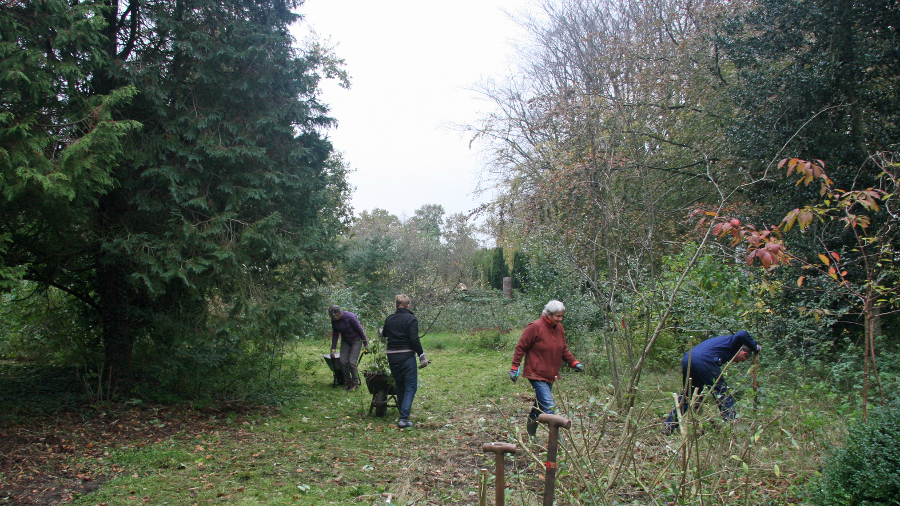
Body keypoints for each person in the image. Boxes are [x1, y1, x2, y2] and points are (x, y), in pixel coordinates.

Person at [510, 300, 584, 442]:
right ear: (548, 314)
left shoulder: (559, 328)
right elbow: (520, 348)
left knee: (539, 406)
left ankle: (531, 434)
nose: (560, 319)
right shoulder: (535, 327)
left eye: (562, 316)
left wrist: (574, 363)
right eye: (558, 316)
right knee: (549, 405)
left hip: (551, 374)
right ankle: (558, 441)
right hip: (536, 373)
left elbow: (563, 349)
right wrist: (515, 367)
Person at [663, 330, 761, 434]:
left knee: (689, 395)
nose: (738, 362)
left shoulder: (722, 342)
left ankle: (668, 426)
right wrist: (755, 347)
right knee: (722, 393)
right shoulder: (734, 343)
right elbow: (742, 334)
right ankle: (733, 426)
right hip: (704, 360)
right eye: (742, 360)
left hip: (689, 358)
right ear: (743, 352)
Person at [382, 294, 428, 428]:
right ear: (408, 306)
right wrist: (422, 356)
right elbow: (414, 339)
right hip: (406, 356)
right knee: (410, 387)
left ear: (396, 305)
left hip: (392, 356)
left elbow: (384, 333)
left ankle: (403, 416)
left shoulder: (389, 319)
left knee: (400, 386)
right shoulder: (411, 319)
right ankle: (403, 418)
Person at [328, 305, 369, 391]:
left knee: (351, 362)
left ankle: (355, 383)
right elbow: (335, 334)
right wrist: (333, 348)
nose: (333, 318)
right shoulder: (334, 320)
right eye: (331, 316)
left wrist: (365, 343)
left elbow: (360, 330)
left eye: (334, 316)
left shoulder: (350, 317)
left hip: (356, 341)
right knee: (342, 361)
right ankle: (348, 382)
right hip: (345, 341)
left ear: (339, 314)